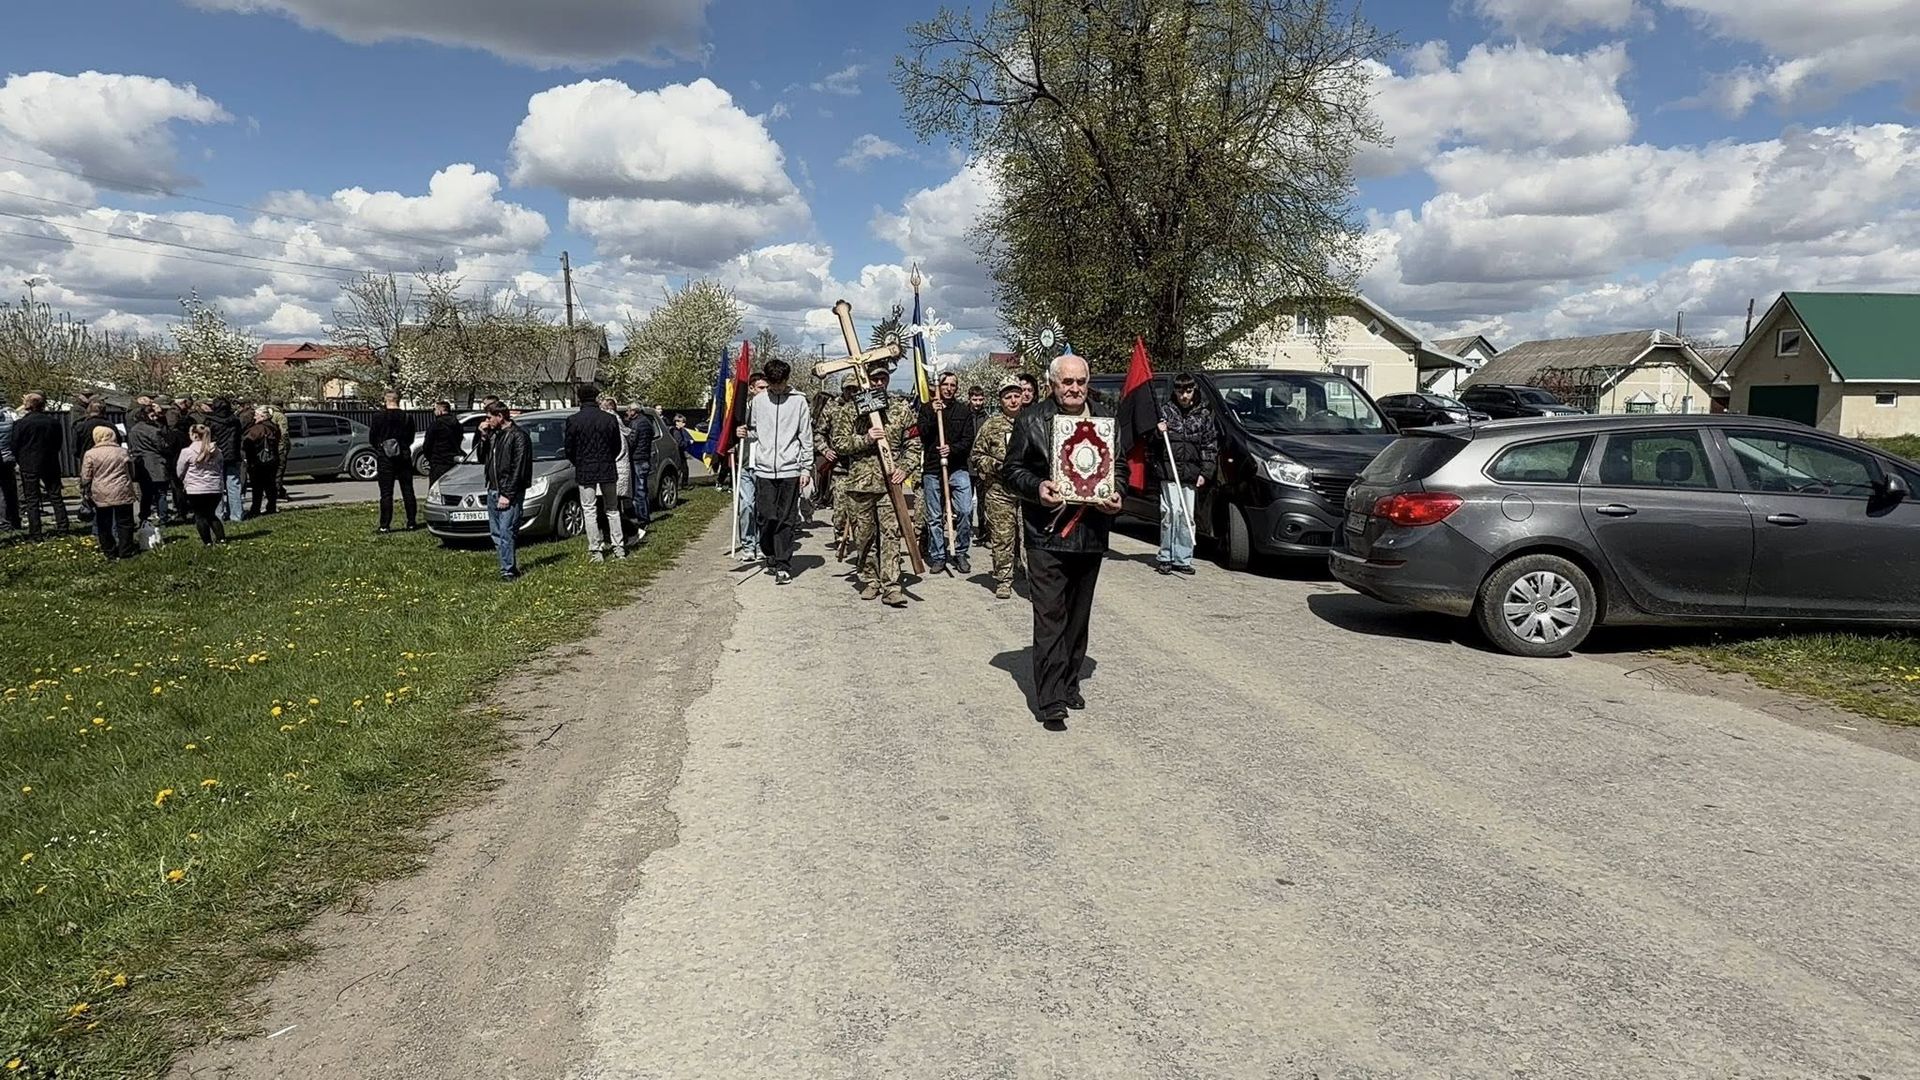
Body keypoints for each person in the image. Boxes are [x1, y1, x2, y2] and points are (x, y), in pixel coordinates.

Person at [1002, 354, 1123, 729]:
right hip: (1047, 533)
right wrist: (1037, 488)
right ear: (1053, 384)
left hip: (1090, 534)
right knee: (1050, 615)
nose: (1074, 388)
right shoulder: (1031, 418)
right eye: (1066, 382)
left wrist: (1116, 497)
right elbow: (1011, 472)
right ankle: (1051, 697)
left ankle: (1070, 680)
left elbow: (1117, 470)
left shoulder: (1106, 419)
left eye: (1080, 381)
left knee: (1077, 616)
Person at [833, 362, 922, 606]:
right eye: (874, 379)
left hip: (889, 485)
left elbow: (914, 444)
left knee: (891, 533)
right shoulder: (851, 410)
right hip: (860, 484)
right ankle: (870, 579)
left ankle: (892, 584)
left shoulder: (901, 409)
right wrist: (865, 439)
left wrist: (904, 468)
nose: (879, 383)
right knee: (863, 536)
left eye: (883, 378)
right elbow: (839, 443)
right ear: (866, 380)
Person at [746, 358, 814, 585]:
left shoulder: (799, 402)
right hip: (764, 469)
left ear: (787, 380)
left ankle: (783, 564)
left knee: (786, 518)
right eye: (773, 384)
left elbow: (806, 436)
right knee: (766, 516)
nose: (776, 388)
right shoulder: (758, 401)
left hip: (790, 468)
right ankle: (769, 552)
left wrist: (806, 467)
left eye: (780, 384)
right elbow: (755, 431)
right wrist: (743, 433)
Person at [970, 378, 1027, 600]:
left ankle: (1032, 578)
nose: (1013, 400)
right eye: (1007, 397)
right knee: (1003, 538)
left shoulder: (1032, 420)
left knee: (1029, 538)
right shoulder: (991, 425)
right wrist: (996, 465)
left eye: (1016, 395)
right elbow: (976, 455)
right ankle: (1003, 579)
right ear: (1000, 400)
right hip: (1000, 492)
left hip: (1027, 493)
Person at [1155, 373, 1217, 575]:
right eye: (1180, 391)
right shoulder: (1165, 412)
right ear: (1175, 391)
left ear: (1194, 391)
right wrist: (1158, 432)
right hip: (1169, 471)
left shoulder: (1203, 415)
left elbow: (1209, 445)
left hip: (1191, 473)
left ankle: (1183, 557)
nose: (1184, 395)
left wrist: (1206, 472)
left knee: (1185, 516)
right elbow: (1151, 444)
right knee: (1169, 513)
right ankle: (1166, 556)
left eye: (1188, 391)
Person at [918, 371, 978, 575]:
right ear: (938, 387)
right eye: (945, 385)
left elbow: (968, 440)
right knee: (934, 516)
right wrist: (934, 416)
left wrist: (951, 449)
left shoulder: (963, 410)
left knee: (965, 510)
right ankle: (938, 555)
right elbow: (923, 435)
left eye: (953, 385)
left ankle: (960, 551)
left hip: (957, 467)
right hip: (933, 469)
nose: (949, 388)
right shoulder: (927, 409)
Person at [563, 382, 626, 561]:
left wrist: (580, 461)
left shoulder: (573, 420)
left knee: (589, 509)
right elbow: (617, 446)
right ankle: (618, 546)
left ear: (581, 398)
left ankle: (595, 549)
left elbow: (569, 448)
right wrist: (607, 458)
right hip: (607, 467)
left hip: (585, 468)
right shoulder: (609, 419)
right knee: (612, 508)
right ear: (597, 398)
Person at [476, 401, 531, 581]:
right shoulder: (494, 435)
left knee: (507, 530)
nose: (487, 421)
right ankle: (506, 564)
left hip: (508, 491)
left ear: (500, 416)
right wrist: (483, 437)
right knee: (496, 532)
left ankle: (508, 569)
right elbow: (481, 458)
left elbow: (518, 468)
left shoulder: (518, 436)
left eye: (489, 417)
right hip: (493, 488)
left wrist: (507, 494)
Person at [9, 393, 68, 537]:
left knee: (32, 499)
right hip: (50, 461)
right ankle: (63, 528)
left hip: (28, 463)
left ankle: (35, 533)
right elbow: (58, 443)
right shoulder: (53, 422)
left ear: (28, 406)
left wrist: (20, 458)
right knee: (56, 497)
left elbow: (14, 444)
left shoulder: (21, 423)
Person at [80, 426, 137, 559]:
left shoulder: (90, 454)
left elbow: (86, 476)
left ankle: (109, 550)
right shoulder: (122, 452)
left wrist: (84, 487)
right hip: (122, 489)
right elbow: (132, 472)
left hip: (101, 491)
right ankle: (126, 550)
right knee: (125, 522)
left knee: (103, 522)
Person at [367, 391, 418, 532]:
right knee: (408, 490)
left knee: (386, 493)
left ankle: (385, 525)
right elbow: (411, 438)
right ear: (399, 400)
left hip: (385, 458)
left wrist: (381, 447)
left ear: (385, 400)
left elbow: (372, 438)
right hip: (403, 456)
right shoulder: (407, 417)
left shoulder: (378, 417)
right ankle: (412, 522)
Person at [732, 372, 769, 562]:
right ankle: (748, 544)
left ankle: (762, 544)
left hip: (765, 465)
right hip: (746, 465)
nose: (764, 392)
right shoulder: (741, 411)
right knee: (747, 506)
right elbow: (731, 433)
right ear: (752, 389)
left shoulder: (771, 409)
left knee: (763, 508)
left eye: (767, 388)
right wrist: (734, 439)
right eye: (761, 388)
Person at [177, 423, 227, 545]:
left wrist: (184, 480)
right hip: (214, 488)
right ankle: (221, 539)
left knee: (200, 516)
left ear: (194, 435)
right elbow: (221, 467)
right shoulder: (217, 451)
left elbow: (180, 470)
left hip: (195, 489)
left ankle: (207, 542)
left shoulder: (187, 452)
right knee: (211, 514)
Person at [128, 403, 172, 525]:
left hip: (141, 463)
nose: (155, 418)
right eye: (152, 416)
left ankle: (144, 516)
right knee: (161, 493)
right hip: (156, 462)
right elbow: (162, 446)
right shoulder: (153, 430)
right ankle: (163, 517)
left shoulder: (133, 430)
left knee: (146, 493)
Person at [622, 403, 656, 539]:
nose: (627, 412)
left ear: (635, 411)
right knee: (643, 489)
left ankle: (643, 519)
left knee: (639, 491)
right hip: (645, 457)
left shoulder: (636, 424)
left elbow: (632, 441)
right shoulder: (647, 422)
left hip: (638, 459)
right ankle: (645, 515)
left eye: (629, 410)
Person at [242, 407, 282, 517]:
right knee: (270, 485)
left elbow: (247, 442)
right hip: (272, 459)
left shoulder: (258, 429)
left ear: (263, 416)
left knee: (257, 487)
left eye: (256, 415)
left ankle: (255, 509)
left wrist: (249, 458)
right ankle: (271, 506)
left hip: (259, 461)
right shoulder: (274, 427)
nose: (254, 417)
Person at [422, 400, 464, 486]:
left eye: (435, 409)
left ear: (440, 411)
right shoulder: (457, 424)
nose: (434, 412)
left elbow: (428, 444)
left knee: (436, 487)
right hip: (453, 460)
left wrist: (429, 457)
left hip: (438, 461)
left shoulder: (436, 424)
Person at [0, 400, 19, 530]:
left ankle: (4, 521)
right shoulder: (9, 418)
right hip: (9, 457)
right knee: (11, 490)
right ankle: (14, 519)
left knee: (1, 493)